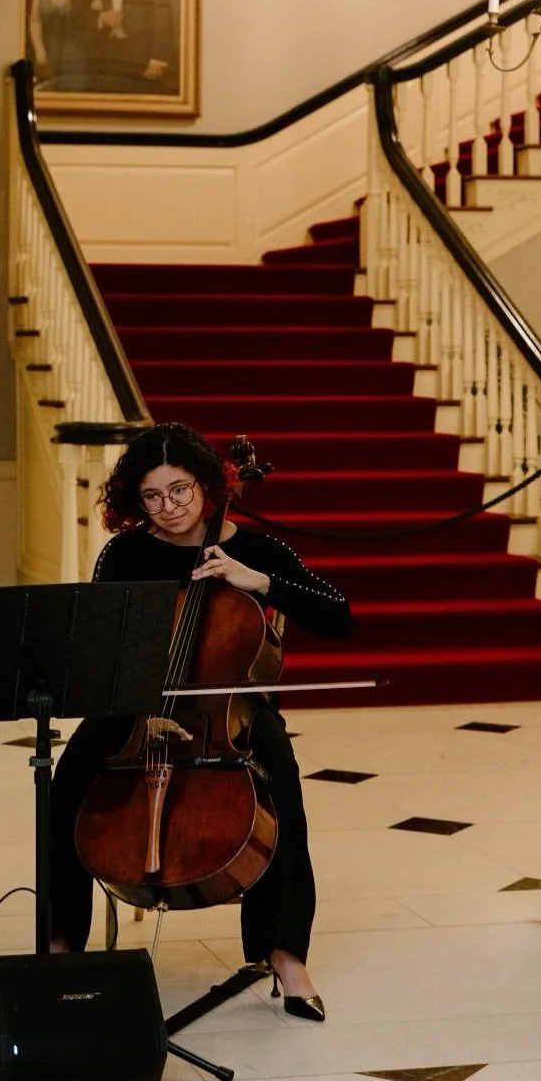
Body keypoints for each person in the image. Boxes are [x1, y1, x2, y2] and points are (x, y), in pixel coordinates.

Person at [47, 423, 352, 1019]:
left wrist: (256, 581)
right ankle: (60, 945)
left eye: (180, 491)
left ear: (206, 485)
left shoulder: (258, 550)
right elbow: (103, 646)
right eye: (153, 498)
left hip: (230, 706)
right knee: (69, 781)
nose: (169, 508)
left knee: (281, 780)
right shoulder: (126, 552)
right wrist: (141, 710)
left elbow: (339, 617)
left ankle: (287, 955)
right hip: (138, 703)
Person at [27, 0, 92, 90]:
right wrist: (39, 50)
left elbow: (89, 22)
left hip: (75, 55)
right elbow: (35, 20)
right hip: (46, 53)